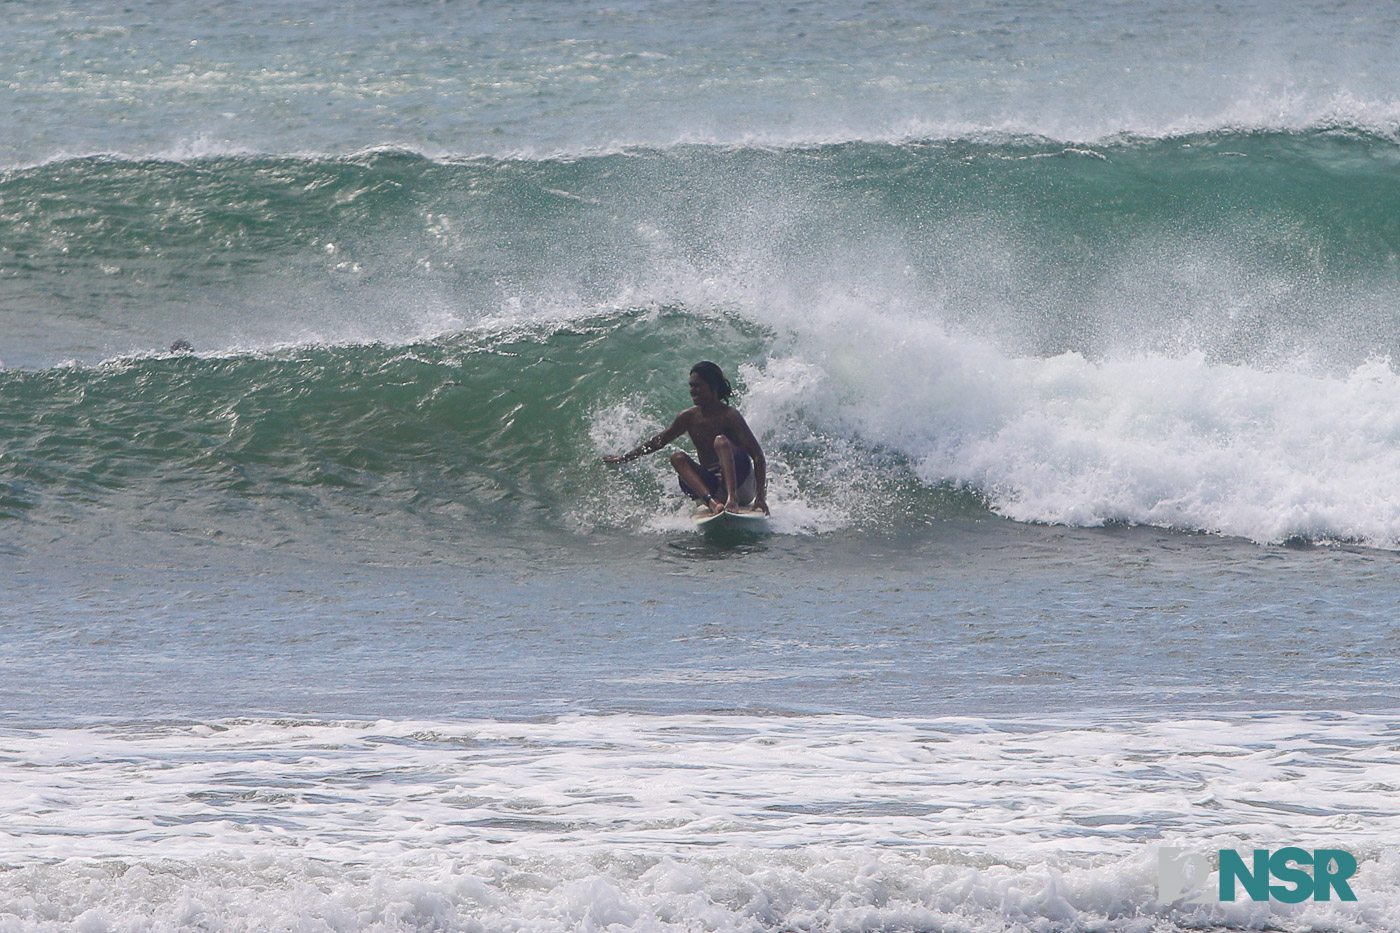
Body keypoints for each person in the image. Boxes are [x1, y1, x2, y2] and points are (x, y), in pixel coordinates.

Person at [604, 361, 768, 515]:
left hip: (742, 486)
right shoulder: (688, 417)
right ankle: (712, 503)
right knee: (677, 457)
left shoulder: (730, 416)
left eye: (698, 386)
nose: (692, 390)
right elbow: (657, 442)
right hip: (713, 489)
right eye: (691, 386)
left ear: (714, 387)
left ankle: (732, 499)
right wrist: (624, 458)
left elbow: (757, 455)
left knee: (720, 440)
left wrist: (760, 497)